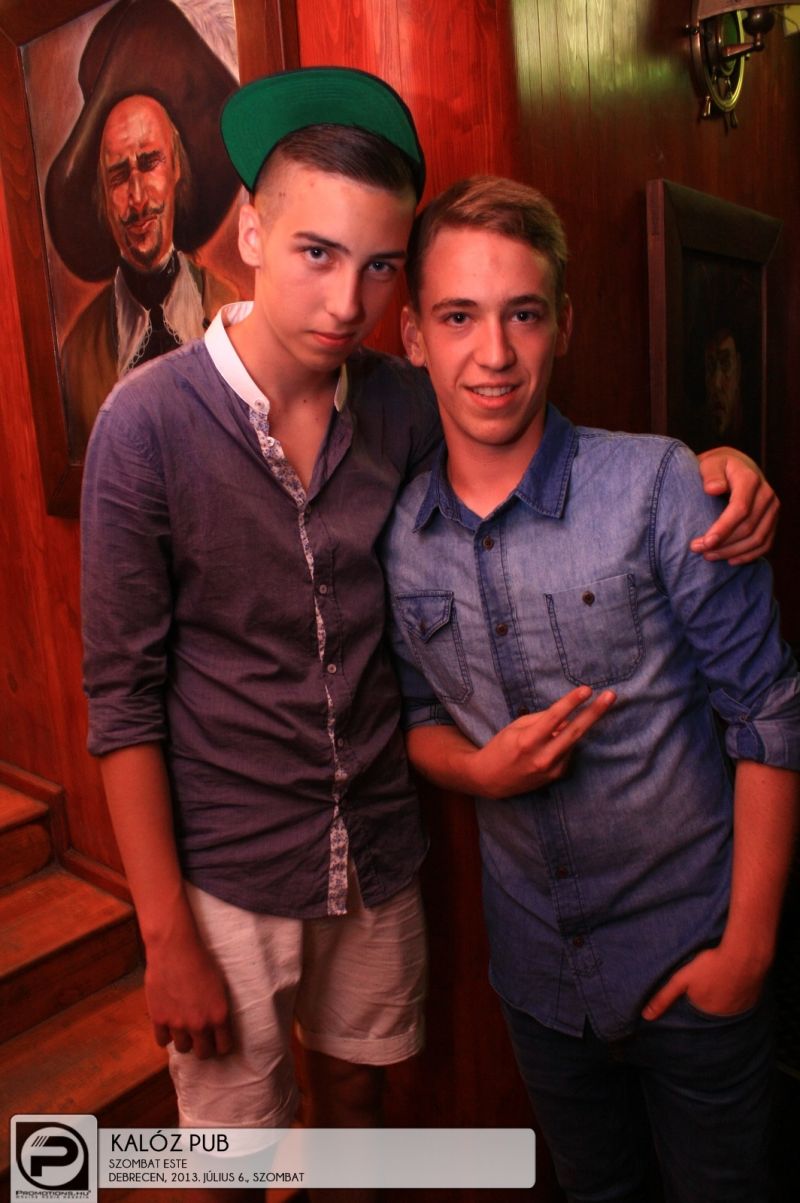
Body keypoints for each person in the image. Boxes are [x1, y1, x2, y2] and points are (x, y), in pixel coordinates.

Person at [81, 67, 778, 1200]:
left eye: (377, 266)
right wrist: (164, 936)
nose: (345, 301)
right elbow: (120, 697)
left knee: (359, 1109)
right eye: (316, 252)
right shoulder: (145, 424)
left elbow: (519, 443)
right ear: (250, 229)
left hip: (375, 857)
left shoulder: (400, 402)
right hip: (229, 868)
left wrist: (722, 465)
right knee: (226, 1157)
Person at [381, 175, 800, 1203]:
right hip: (540, 987)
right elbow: (417, 719)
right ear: (412, 336)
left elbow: (768, 712)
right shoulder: (401, 540)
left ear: (562, 324)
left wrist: (746, 953)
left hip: (694, 963)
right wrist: (479, 772)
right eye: (458, 317)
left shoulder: (659, 488)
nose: (493, 352)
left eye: (522, 314)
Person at [45, 0, 240, 456]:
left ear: (177, 169)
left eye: (150, 163)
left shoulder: (231, 312)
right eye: (118, 176)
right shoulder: (79, 358)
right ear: (101, 194)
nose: (137, 199)